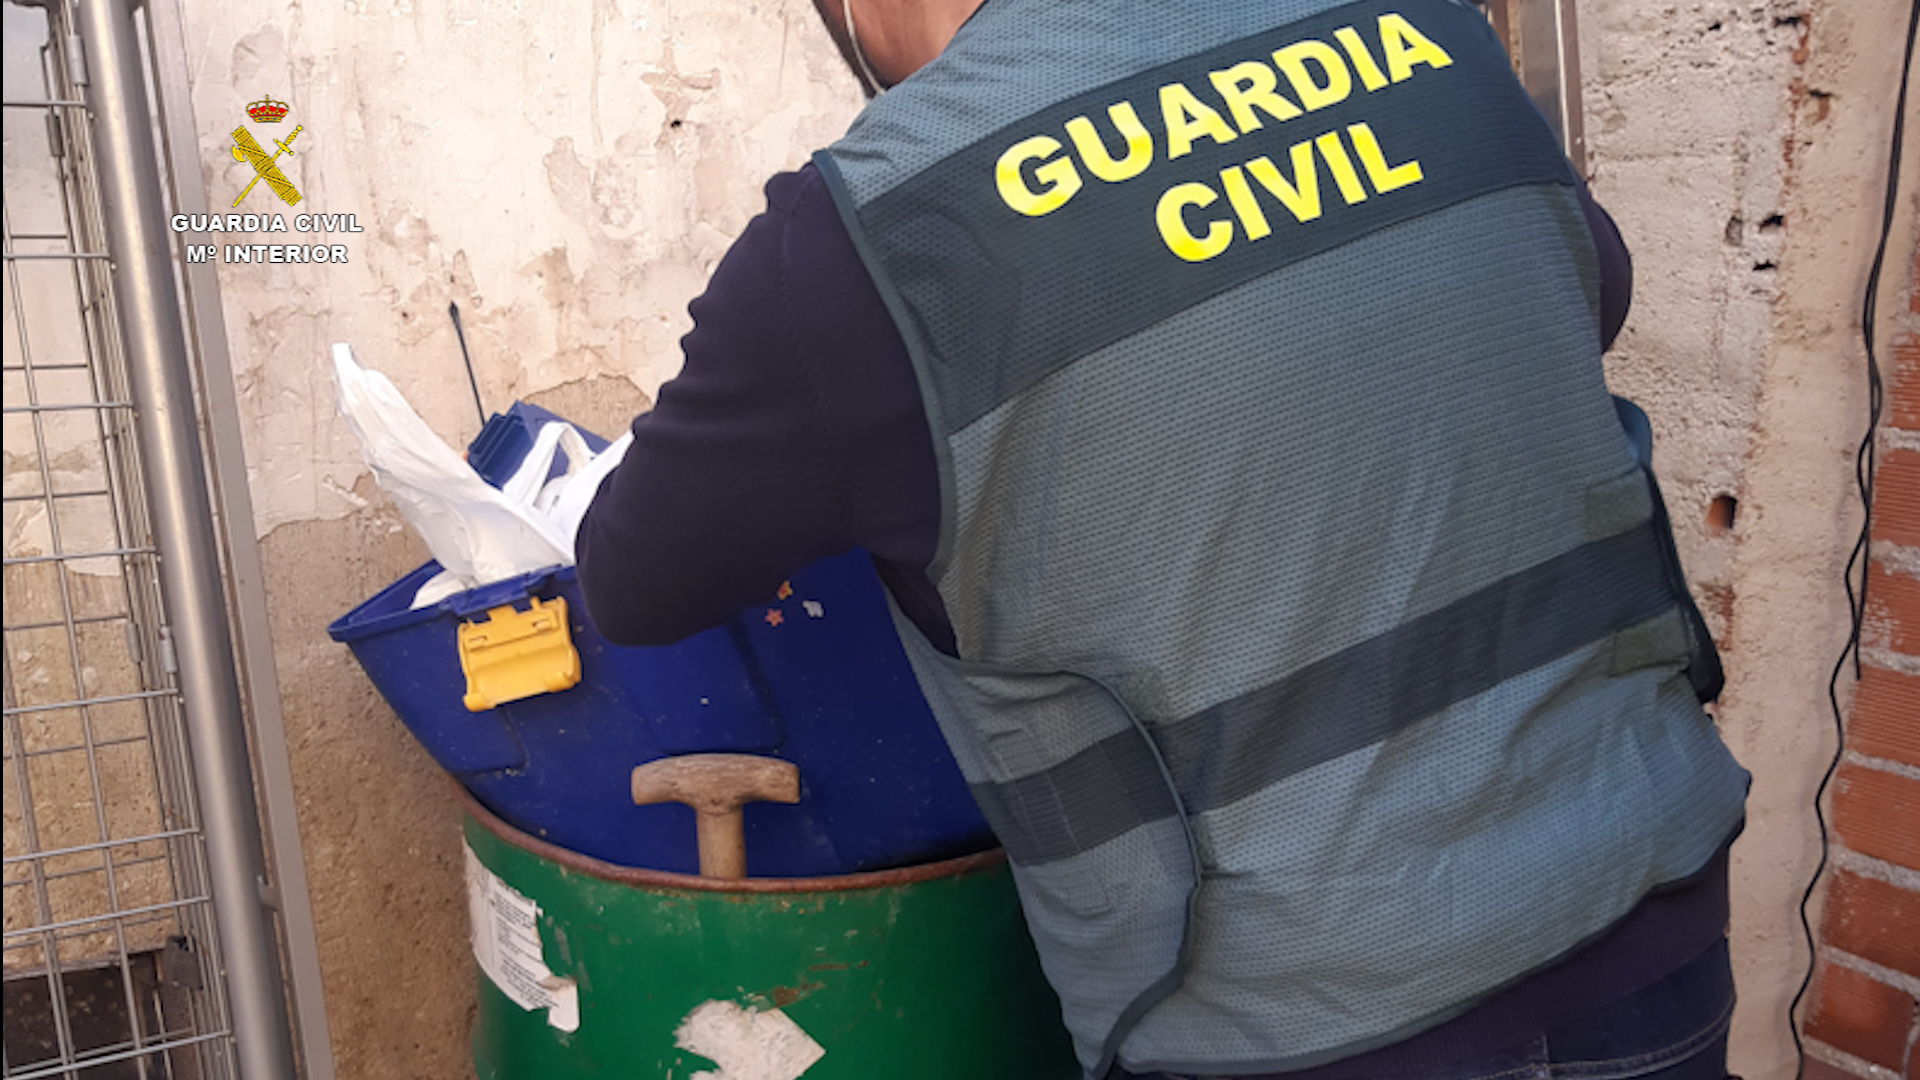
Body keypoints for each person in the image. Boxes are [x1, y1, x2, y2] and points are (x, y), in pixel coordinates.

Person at [576, 0, 1752, 1077]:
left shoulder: (870, 233)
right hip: (1650, 919)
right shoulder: (1422, 29)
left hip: (1295, 1020)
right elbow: (1583, 290)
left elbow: (634, 575)